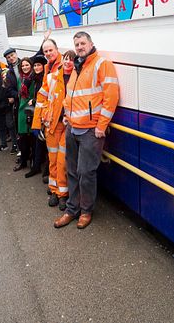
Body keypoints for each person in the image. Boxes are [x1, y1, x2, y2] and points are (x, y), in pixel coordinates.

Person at [54, 31, 119, 229]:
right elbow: (71, 96)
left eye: (82, 43)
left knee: (86, 172)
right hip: (72, 128)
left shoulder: (101, 64)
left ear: (90, 43)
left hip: (91, 130)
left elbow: (111, 96)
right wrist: (66, 115)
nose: (80, 47)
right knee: (72, 171)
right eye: (76, 44)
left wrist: (102, 126)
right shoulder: (77, 66)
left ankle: (86, 211)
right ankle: (72, 210)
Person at [32, 39, 69, 210]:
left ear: (57, 49)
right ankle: (55, 190)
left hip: (65, 122)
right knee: (53, 158)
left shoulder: (66, 64)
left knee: (62, 161)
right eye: (45, 51)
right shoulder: (48, 68)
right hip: (51, 122)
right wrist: (37, 123)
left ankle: (63, 194)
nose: (48, 53)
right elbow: (42, 96)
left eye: (50, 50)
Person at [26, 55, 48, 180]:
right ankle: (37, 166)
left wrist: (34, 100)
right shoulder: (34, 78)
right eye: (34, 65)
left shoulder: (45, 78)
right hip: (37, 115)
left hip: (44, 115)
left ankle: (46, 170)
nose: (36, 67)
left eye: (39, 65)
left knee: (45, 143)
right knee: (37, 141)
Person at [13, 57, 35, 172]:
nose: (25, 67)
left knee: (32, 137)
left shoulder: (35, 77)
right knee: (22, 137)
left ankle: (33, 160)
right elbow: (19, 95)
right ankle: (23, 161)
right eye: (23, 66)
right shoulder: (20, 79)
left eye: (27, 65)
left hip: (32, 109)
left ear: (31, 65)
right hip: (22, 110)